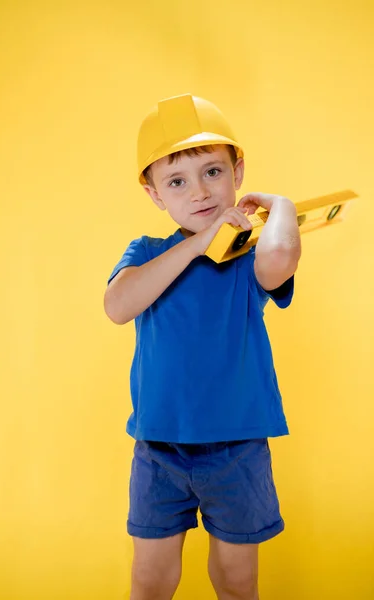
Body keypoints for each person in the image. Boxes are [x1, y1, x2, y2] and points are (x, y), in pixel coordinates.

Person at [104, 93, 301, 600]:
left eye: (213, 171)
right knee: (150, 580)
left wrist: (279, 207)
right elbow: (118, 305)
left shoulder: (248, 255)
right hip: (159, 449)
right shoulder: (147, 253)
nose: (199, 192)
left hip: (236, 449)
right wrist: (195, 243)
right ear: (154, 195)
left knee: (236, 579)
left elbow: (280, 254)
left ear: (238, 171)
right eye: (177, 181)